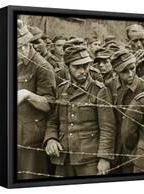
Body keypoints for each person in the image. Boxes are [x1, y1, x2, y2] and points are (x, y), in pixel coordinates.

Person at [43, 46, 116, 177]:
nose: (83, 71)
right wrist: (51, 139)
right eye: (77, 67)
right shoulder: (61, 90)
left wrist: (104, 158)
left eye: (86, 66)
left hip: (89, 160)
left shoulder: (99, 91)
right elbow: (53, 121)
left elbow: (107, 127)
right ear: (67, 68)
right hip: (63, 158)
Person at [17, 20, 56, 179]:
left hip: (31, 139)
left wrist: (27, 94)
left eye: (25, 45)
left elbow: (50, 105)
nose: (23, 50)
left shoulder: (43, 66)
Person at [106, 49, 144, 174]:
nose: (131, 73)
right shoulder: (110, 86)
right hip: (115, 148)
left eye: (132, 68)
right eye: (124, 71)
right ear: (116, 72)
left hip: (136, 149)